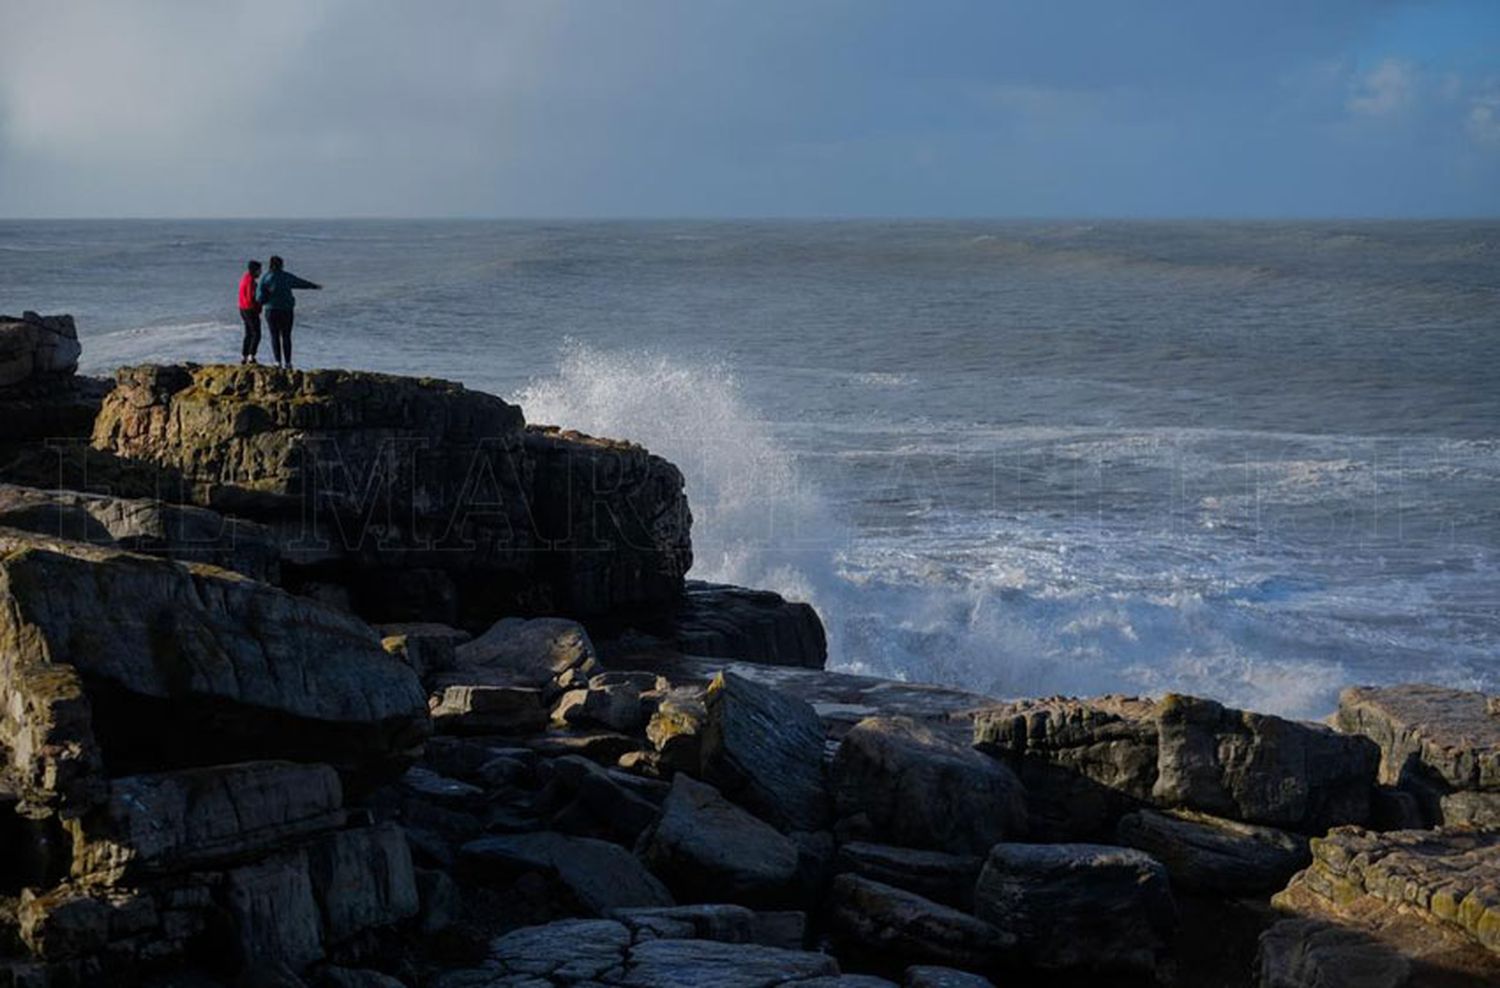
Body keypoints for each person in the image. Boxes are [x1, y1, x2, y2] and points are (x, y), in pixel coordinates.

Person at [256, 255, 321, 370]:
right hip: (287, 310)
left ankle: (277, 362)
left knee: (274, 336)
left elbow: (259, 298)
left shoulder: (266, 278)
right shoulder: (286, 276)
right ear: (281, 265)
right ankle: (288, 363)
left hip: (271, 311)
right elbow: (300, 282)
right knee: (286, 336)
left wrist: (263, 301)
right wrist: (313, 286)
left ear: (270, 265)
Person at [236, 260, 263, 364]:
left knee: (248, 333)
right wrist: (258, 307)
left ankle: (245, 355)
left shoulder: (245, 278)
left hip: (242, 308)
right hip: (250, 309)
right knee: (256, 333)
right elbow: (251, 297)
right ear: (255, 270)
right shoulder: (251, 281)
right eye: (259, 270)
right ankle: (251, 355)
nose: (260, 272)